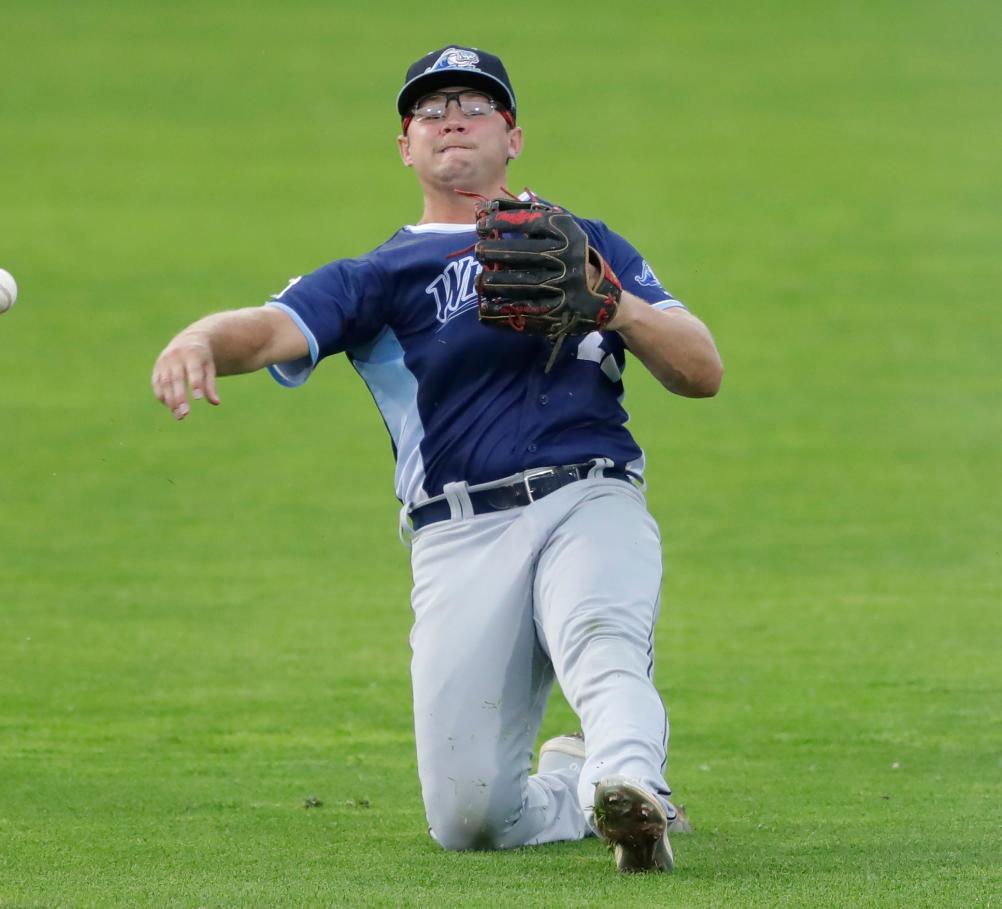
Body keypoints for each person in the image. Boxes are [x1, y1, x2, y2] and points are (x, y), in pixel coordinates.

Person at [151, 45, 723, 873]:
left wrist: (617, 303)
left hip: (586, 494)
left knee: (601, 633)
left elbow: (701, 369)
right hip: (457, 537)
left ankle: (634, 784)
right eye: (430, 108)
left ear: (514, 135)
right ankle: (578, 785)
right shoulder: (379, 276)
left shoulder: (585, 244)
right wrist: (198, 337)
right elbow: (269, 328)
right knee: (469, 819)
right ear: (405, 147)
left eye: (475, 103)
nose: (452, 115)